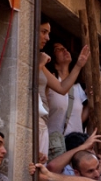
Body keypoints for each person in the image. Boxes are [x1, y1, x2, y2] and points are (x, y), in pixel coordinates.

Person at [38, 19, 90, 157]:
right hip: (50, 137)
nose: (47, 37)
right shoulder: (40, 61)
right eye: (44, 32)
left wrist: (79, 65)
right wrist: (41, 63)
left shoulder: (77, 85)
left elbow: (62, 88)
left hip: (72, 142)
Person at [46, 43, 88, 140]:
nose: (65, 50)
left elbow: (79, 118)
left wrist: (90, 103)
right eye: (58, 49)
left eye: (65, 48)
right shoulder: (51, 82)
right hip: (55, 144)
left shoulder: (78, 87)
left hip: (76, 143)